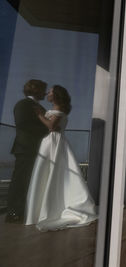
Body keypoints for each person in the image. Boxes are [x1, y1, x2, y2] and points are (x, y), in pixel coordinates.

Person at [24, 85, 97, 231]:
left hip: (54, 143)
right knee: (48, 173)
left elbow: (51, 126)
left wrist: (39, 115)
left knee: (53, 173)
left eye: (51, 91)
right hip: (52, 143)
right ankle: (42, 210)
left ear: (56, 95)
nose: (48, 93)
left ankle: (50, 209)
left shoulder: (61, 110)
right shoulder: (55, 110)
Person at [5, 80, 49, 223]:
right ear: (36, 90)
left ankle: (23, 210)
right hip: (25, 148)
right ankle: (12, 213)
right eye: (44, 90)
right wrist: (47, 130)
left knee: (29, 180)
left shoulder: (38, 106)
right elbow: (23, 125)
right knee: (20, 181)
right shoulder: (23, 105)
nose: (46, 93)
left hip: (34, 149)